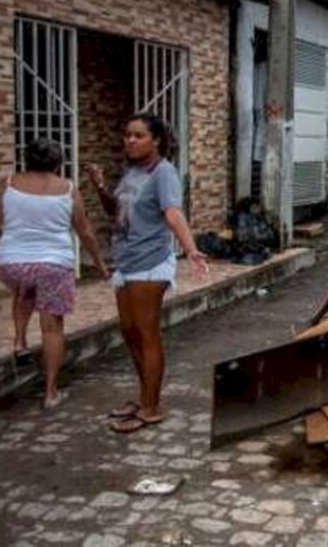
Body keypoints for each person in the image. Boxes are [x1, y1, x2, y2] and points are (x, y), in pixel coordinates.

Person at [88, 113, 208, 434]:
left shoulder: (163, 172)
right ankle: (144, 396)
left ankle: (151, 408)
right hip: (125, 261)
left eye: (139, 135)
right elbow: (117, 212)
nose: (130, 140)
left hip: (150, 262)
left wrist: (191, 249)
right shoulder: (132, 171)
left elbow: (172, 213)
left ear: (156, 140)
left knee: (147, 334)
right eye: (127, 135)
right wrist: (100, 188)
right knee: (129, 332)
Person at [0, 137, 109, 409]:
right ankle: (51, 392)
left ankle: (19, 341)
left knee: (24, 289)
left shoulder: (7, 184)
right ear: (58, 163)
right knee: (52, 327)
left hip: (12, 263)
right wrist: (99, 263)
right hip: (54, 264)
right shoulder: (68, 189)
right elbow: (84, 232)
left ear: (26, 159)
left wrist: (10, 248)